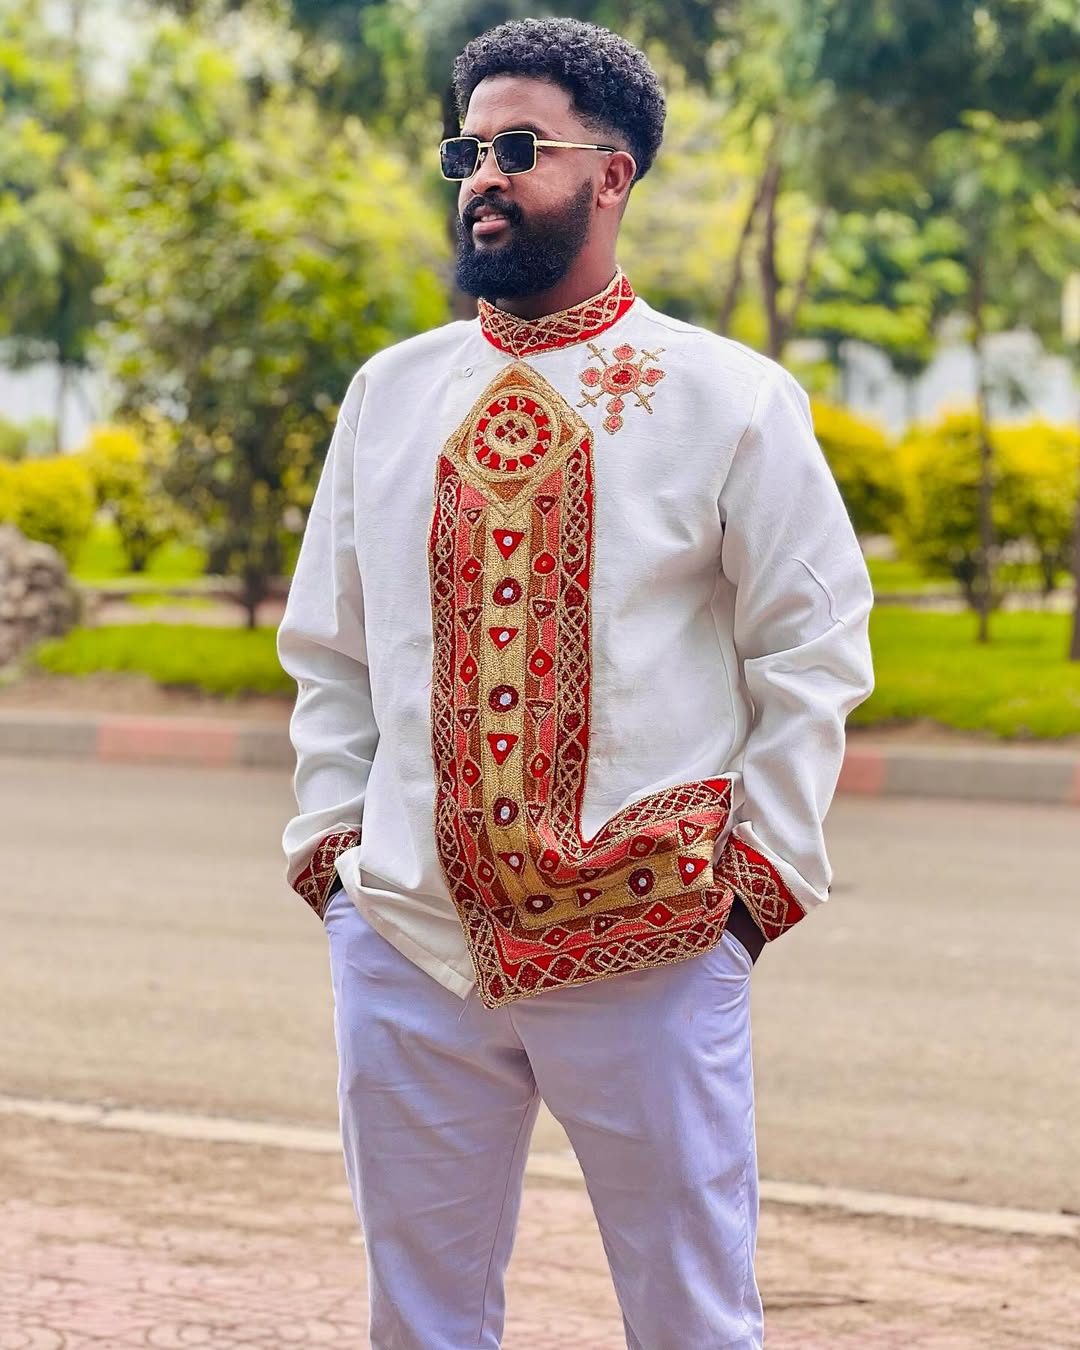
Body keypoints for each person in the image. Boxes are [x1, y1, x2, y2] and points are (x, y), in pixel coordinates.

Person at [278, 17, 873, 1349]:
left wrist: (752, 891)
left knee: (690, 1317)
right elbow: (330, 647)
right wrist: (335, 863)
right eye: (468, 150)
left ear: (611, 176)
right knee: (420, 1318)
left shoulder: (729, 397)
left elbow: (813, 646)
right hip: (412, 944)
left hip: (652, 944)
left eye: (519, 149)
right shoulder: (390, 394)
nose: (484, 174)